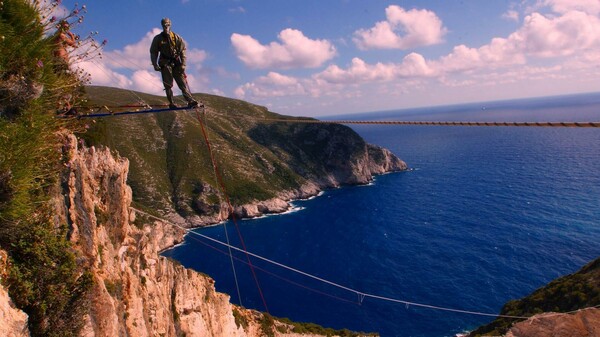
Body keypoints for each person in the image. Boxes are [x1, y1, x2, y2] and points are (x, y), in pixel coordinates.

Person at [150, 18, 199, 109]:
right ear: (162, 25)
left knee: (182, 83)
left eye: (168, 24)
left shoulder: (176, 37)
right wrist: (155, 64)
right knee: (168, 85)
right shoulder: (158, 38)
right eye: (164, 24)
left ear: (170, 24)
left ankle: (190, 100)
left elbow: (183, 51)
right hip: (165, 63)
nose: (166, 26)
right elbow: (153, 52)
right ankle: (171, 103)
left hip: (176, 63)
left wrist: (183, 64)